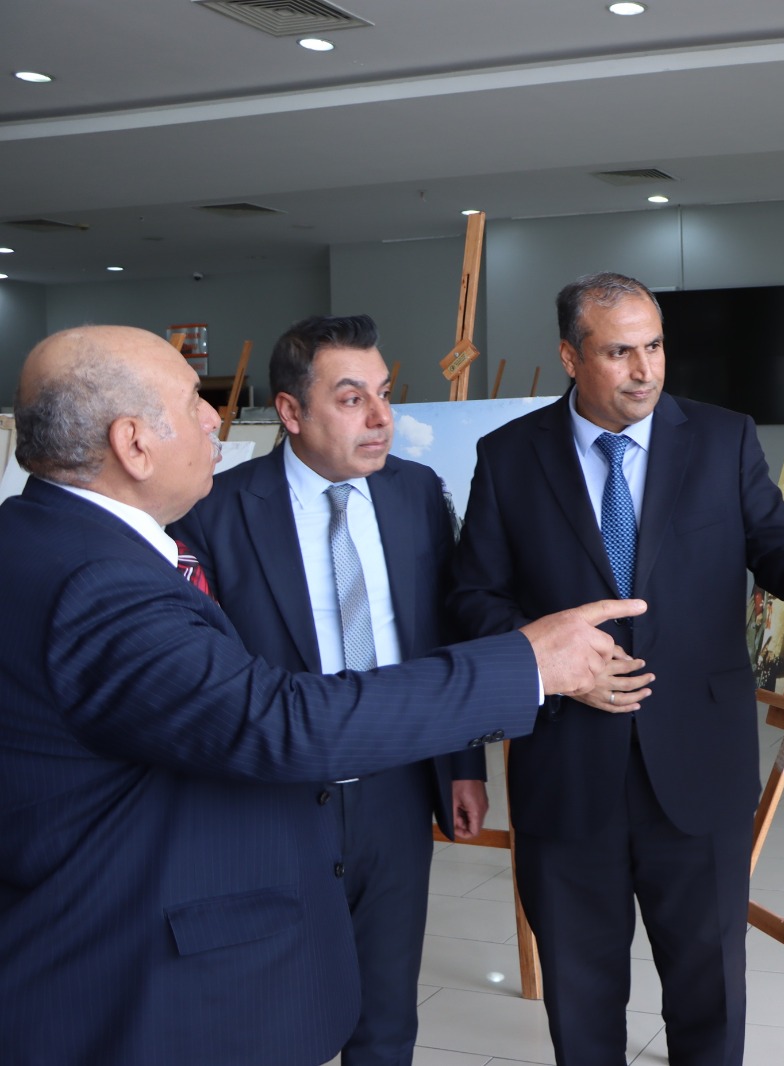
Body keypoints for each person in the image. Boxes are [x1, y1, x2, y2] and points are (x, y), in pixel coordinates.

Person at [0, 325, 641, 1066]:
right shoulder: (100, 584)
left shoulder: (37, 538)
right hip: (125, 972)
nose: (214, 419)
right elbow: (275, 720)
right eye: (194, 400)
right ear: (133, 444)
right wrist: (526, 663)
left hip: (316, 828)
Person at [448, 272, 784, 1066]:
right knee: (580, 1001)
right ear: (570, 357)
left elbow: (780, 548)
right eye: (619, 353)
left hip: (697, 763)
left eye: (654, 347)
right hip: (566, 769)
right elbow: (473, 596)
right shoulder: (511, 456)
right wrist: (551, 663)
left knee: (709, 993)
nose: (644, 370)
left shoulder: (722, 438)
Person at [169, 315, 508, 1065]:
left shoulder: (417, 494)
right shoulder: (216, 512)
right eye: (352, 399)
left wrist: (462, 766)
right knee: (273, 1014)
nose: (382, 418)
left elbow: (440, 633)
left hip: (396, 786)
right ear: (291, 412)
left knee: (385, 1014)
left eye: (384, 394)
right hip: (273, 799)